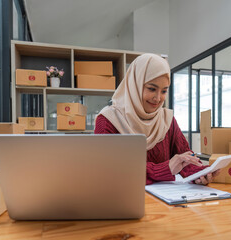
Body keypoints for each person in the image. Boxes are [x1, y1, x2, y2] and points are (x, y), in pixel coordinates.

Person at [94, 53, 219, 185]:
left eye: (164, 91)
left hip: (164, 201)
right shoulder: (109, 120)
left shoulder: (166, 120)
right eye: (152, 89)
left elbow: (185, 158)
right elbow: (107, 171)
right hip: (122, 200)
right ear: (134, 85)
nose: (158, 98)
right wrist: (165, 169)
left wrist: (199, 173)